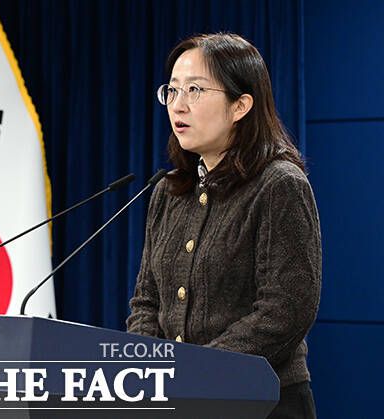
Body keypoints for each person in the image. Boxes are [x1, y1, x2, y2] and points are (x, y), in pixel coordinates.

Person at [126, 33, 321, 419]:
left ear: (241, 105)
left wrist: (198, 373)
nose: (178, 104)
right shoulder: (169, 190)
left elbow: (286, 310)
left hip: (262, 403)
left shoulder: (279, 184)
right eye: (172, 90)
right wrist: (148, 372)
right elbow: (146, 301)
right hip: (177, 402)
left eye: (195, 90)